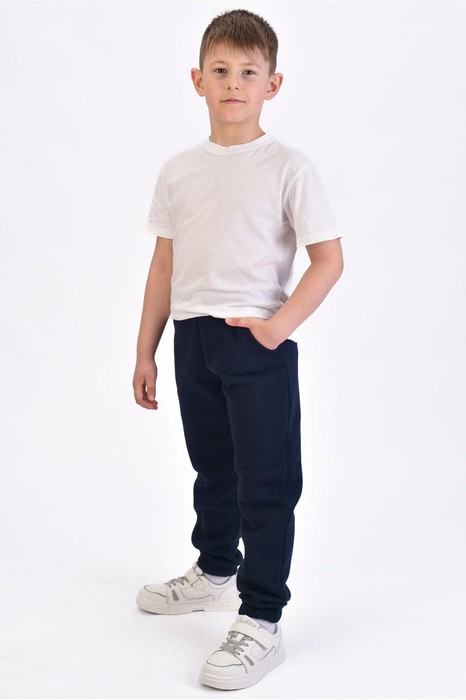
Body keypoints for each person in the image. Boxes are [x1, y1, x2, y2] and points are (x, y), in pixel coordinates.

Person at [132, 8, 344, 691]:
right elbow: (163, 267)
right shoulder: (179, 170)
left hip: (256, 342)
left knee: (266, 483)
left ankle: (262, 617)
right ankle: (217, 571)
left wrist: (277, 328)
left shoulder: (288, 167)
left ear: (271, 85)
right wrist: (146, 351)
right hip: (193, 339)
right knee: (213, 469)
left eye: (248, 73)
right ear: (197, 80)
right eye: (220, 71)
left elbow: (329, 259)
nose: (233, 83)